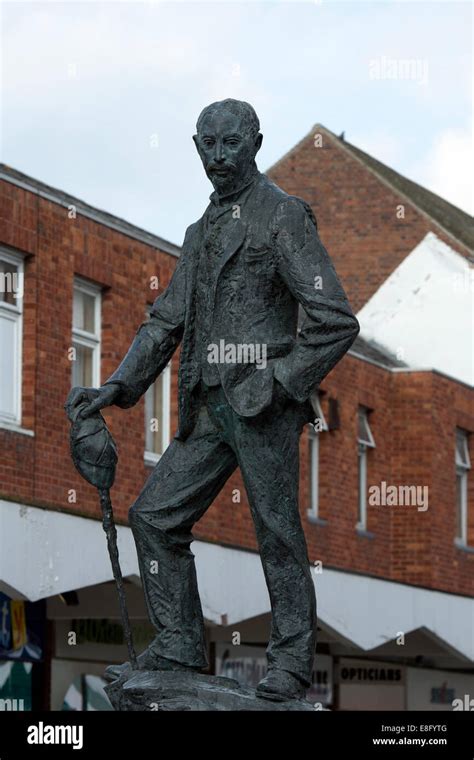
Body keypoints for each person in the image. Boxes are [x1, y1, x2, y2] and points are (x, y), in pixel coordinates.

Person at [67, 99, 359, 701]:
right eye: (209, 146)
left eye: (232, 145)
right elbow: (164, 322)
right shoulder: (199, 233)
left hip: (262, 403)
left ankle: (291, 664)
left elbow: (334, 320)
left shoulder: (282, 215)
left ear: (255, 142)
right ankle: (177, 642)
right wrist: (117, 389)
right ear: (196, 146)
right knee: (153, 516)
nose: (220, 158)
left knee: (276, 532)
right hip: (206, 408)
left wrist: (280, 380)